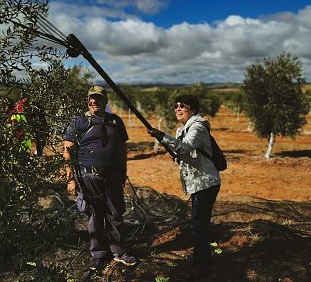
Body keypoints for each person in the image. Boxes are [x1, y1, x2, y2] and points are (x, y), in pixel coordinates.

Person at [63, 85, 137, 271]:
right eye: (91, 98)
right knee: (94, 216)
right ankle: (99, 254)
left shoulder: (115, 121)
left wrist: (123, 172)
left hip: (113, 176)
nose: (94, 101)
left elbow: (122, 149)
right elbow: (67, 151)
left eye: (98, 98)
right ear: (87, 100)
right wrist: (70, 179)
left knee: (115, 214)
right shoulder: (79, 121)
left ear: (105, 101)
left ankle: (119, 252)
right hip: (88, 177)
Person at [148, 94, 221, 278]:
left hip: (206, 182)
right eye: (176, 106)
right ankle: (204, 258)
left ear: (193, 109)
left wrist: (162, 136)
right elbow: (181, 152)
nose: (178, 108)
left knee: (199, 225)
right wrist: (176, 154)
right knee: (199, 224)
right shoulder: (182, 129)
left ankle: (201, 266)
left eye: (183, 106)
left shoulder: (198, 126)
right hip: (198, 183)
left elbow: (185, 147)